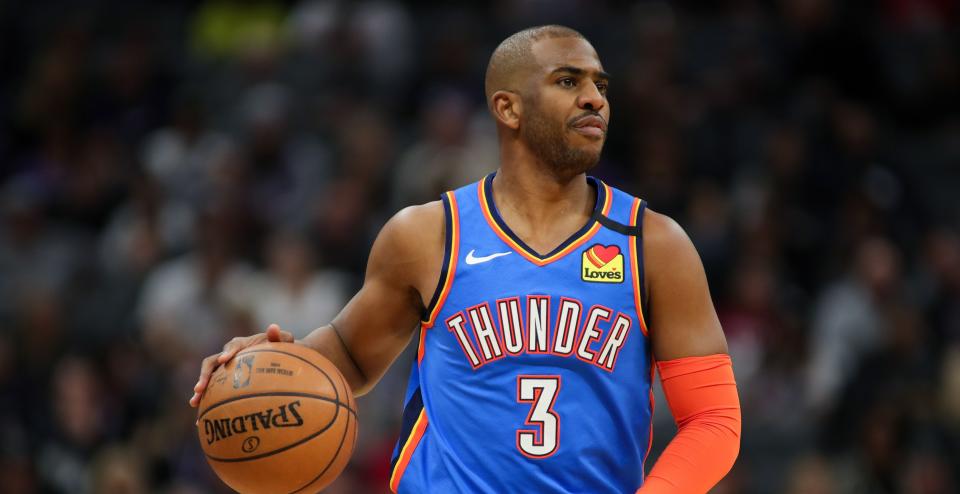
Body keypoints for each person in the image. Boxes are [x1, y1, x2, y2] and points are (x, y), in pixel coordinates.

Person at [190, 25, 741, 493]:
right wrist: (263, 366)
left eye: (600, 84)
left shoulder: (653, 244)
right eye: (567, 81)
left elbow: (713, 419)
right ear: (508, 108)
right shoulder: (428, 235)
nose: (594, 97)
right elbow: (351, 358)